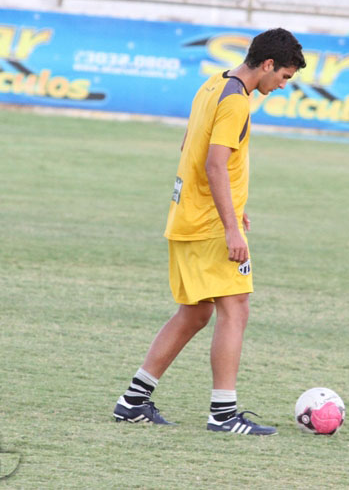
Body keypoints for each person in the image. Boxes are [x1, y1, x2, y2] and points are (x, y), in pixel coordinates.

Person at [113, 28, 306, 435]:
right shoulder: (237, 103)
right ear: (268, 64)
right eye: (285, 76)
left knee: (196, 313)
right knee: (235, 309)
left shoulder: (215, 82)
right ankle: (223, 413)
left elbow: (189, 145)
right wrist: (231, 226)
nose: (283, 85)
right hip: (208, 227)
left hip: (186, 215)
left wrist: (235, 205)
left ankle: (132, 400)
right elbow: (214, 164)